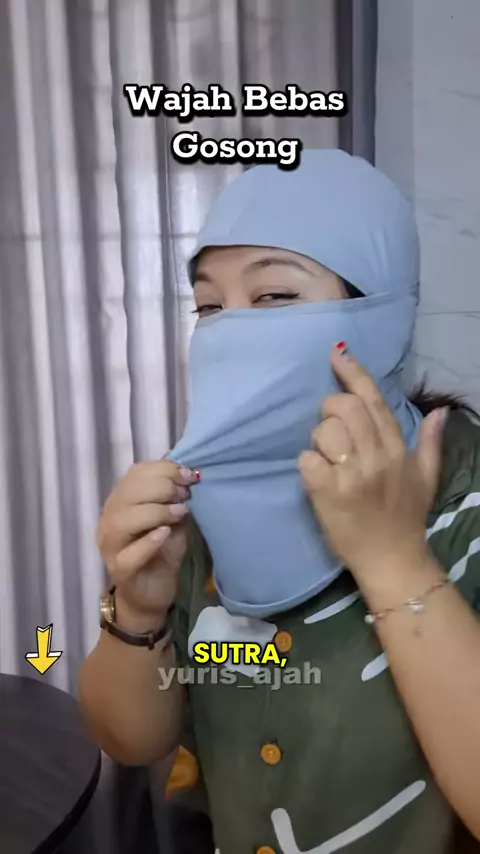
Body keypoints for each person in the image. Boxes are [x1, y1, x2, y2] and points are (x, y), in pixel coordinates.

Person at [78, 150, 480, 854]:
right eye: (210, 306)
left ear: (383, 312)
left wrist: (393, 561)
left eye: (274, 297)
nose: (231, 332)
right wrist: (136, 609)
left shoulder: (464, 501)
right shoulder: (201, 499)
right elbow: (131, 740)